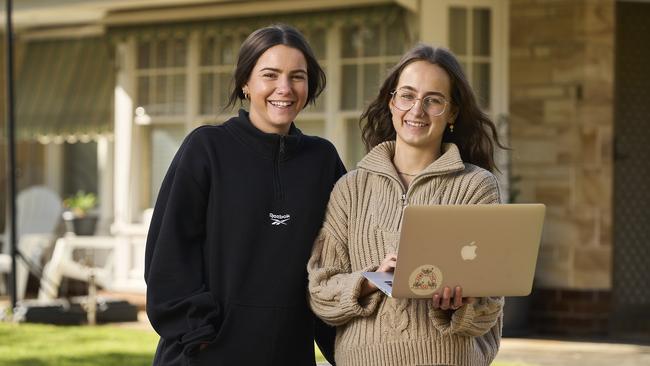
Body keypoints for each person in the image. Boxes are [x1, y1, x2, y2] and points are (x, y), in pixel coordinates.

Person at [145, 24, 343, 366]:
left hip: (289, 354)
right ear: (245, 83)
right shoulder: (206, 148)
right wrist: (198, 334)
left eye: (297, 76)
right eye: (270, 74)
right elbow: (169, 254)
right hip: (205, 354)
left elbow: (343, 253)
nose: (285, 88)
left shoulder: (322, 160)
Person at [307, 44, 506, 366]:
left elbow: (489, 308)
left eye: (433, 100)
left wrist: (458, 304)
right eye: (408, 96)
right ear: (391, 102)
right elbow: (321, 292)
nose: (417, 110)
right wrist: (374, 279)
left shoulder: (476, 186)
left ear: (452, 112)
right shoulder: (350, 188)